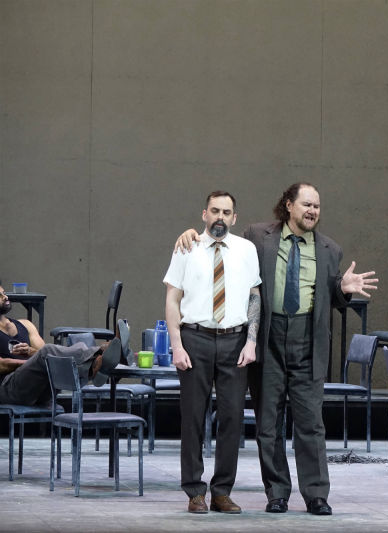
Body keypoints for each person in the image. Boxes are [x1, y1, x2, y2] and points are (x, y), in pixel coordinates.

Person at [176, 182, 377, 516]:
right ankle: (277, 493)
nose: (312, 211)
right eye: (306, 204)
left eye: (317, 206)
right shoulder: (258, 237)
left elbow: (331, 296)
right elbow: (220, 237)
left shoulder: (330, 249)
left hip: (307, 340)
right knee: (268, 424)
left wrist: (343, 289)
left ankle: (316, 495)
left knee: (311, 423)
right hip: (269, 338)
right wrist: (189, 234)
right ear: (288, 205)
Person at [163, 191, 262, 515]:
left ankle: (222, 492)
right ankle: (195, 491)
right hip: (195, 339)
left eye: (226, 212)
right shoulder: (186, 247)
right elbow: (172, 299)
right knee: (193, 417)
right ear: (204, 214)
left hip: (235, 341)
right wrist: (177, 345)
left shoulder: (246, 249)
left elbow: (255, 296)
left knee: (232, 418)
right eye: (215, 210)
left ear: (234, 218)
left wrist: (251, 340)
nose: (220, 217)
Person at [0, 282, 121, 405]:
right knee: (48, 352)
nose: (5, 297)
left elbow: (43, 355)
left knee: (78, 347)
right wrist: (36, 363)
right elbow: (2, 365)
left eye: (4, 293)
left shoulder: (26, 324)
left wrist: (31, 352)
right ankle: (101, 358)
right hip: (8, 389)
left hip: (40, 390)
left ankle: (98, 363)